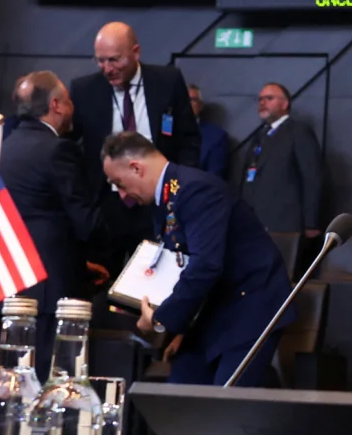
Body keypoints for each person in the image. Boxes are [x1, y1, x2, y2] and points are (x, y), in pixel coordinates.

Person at [100, 131, 294, 387]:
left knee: (224, 412)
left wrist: (162, 319)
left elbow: (205, 265)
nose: (123, 194)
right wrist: (181, 329)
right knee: (180, 403)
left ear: (136, 168)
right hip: (213, 310)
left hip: (250, 309)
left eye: (120, 184)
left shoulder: (196, 190)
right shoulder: (170, 192)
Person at [0, 71, 103, 380]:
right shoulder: (57, 149)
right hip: (45, 296)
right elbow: (87, 223)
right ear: (57, 105)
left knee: (1, 388)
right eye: (69, 100)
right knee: (41, 391)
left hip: (0, 291)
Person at [69, 22, 201, 277]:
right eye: (100, 61)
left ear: (136, 52)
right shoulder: (84, 89)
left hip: (159, 201)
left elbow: (189, 140)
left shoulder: (168, 81)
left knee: (157, 278)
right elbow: (70, 148)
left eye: (115, 60)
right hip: (107, 204)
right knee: (102, 283)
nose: (107, 69)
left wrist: (179, 191)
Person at [239, 82, 324, 240]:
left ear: (285, 103)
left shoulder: (299, 131)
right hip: (254, 222)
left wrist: (310, 223)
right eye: (260, 99)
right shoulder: (259, 136)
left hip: (284, 224)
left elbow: (312, 178)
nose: (262, 103)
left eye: (269, 98)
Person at [188, 84, 228, 178]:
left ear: (200, 106)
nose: (186, 103)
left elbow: (214, 178)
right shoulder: (164, 132)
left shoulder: (216, 137)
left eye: (192, 100)